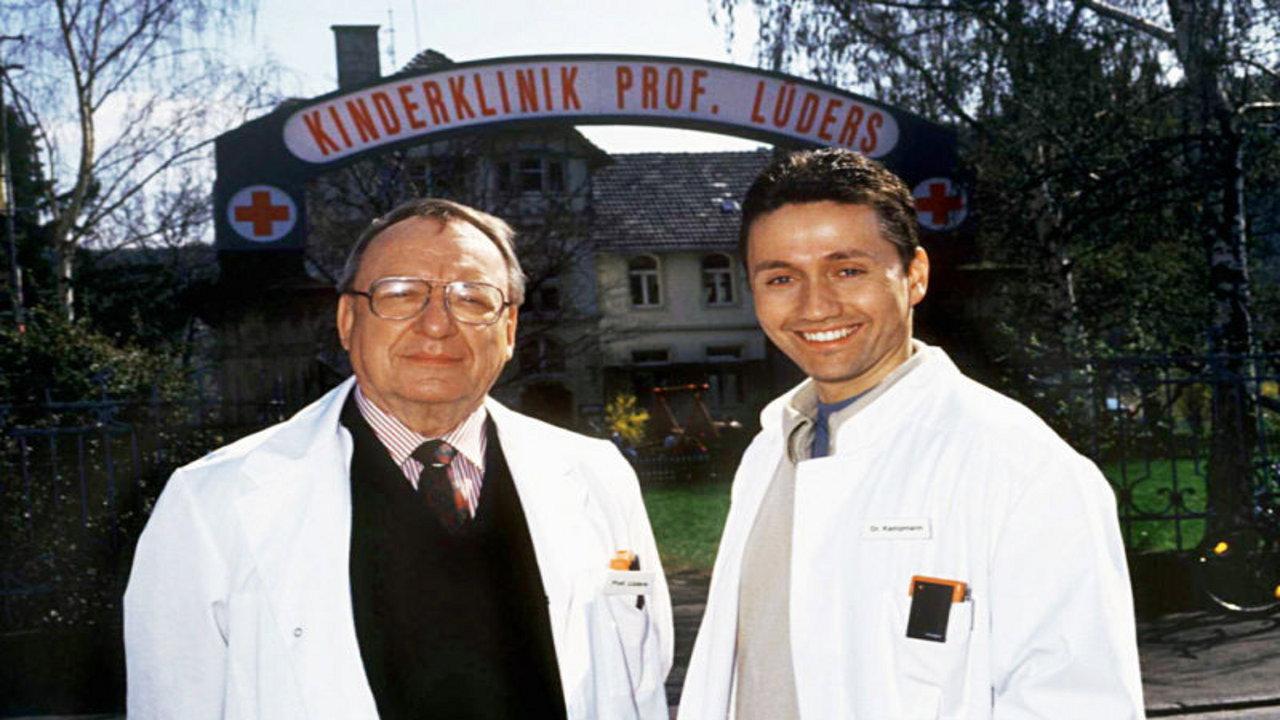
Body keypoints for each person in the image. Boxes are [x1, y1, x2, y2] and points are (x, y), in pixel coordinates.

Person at [125, 198, 672, 719]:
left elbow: (642, 683)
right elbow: (175, 704)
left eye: (472, 299)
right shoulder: (211, 503)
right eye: (401, 293)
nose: (436, 324)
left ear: (508, 331)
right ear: (347, 320)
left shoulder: (599, 476)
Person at [677, 149, 1143, 719]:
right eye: (781, 278)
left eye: (848, 270)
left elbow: (1076, 705)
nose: (815, 306)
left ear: (915, 275)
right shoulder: (767, 454)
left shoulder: (1023, 467)